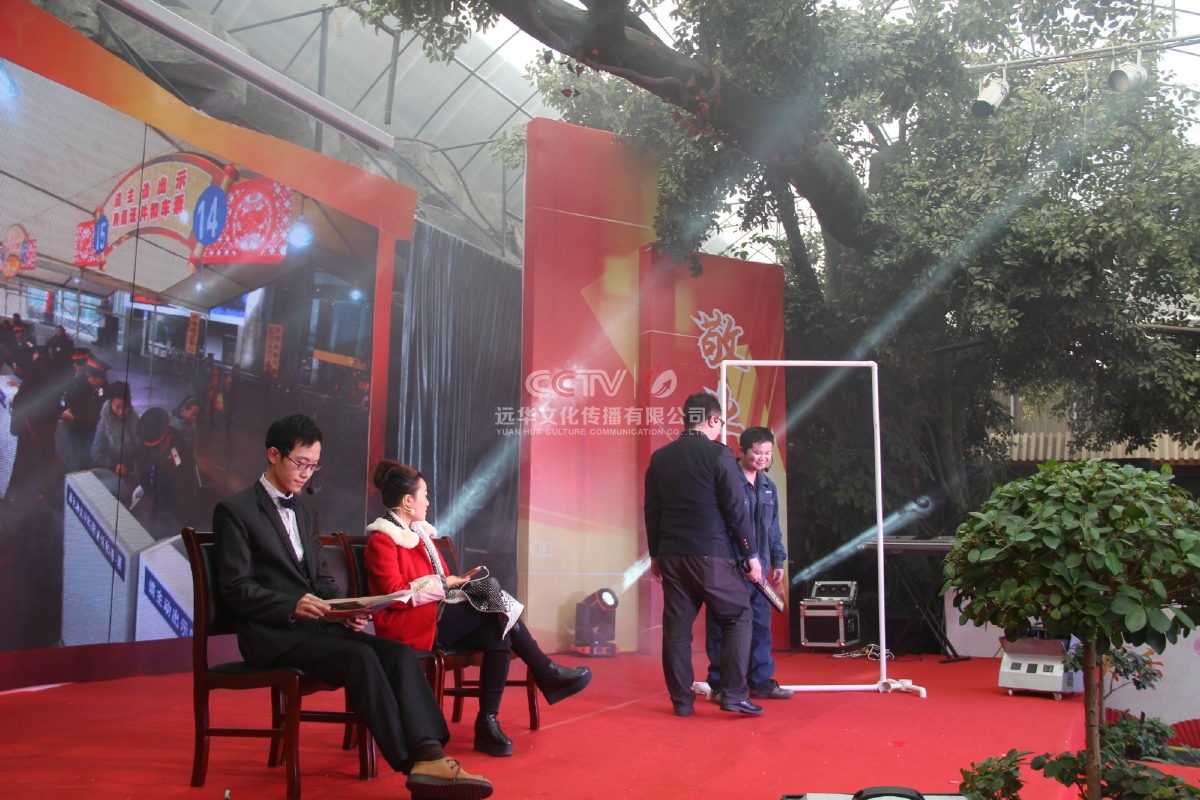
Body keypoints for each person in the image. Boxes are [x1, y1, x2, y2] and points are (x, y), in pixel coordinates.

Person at [213, 416, 493, 798]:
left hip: (316, 629)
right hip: (273, 634)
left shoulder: (305, 510)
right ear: (274, 455)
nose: (307, 474)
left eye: (314, 466)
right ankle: (414, 765)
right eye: (301, 464)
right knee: (360, 659)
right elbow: (235, 588)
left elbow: (321, 578)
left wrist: (346, 609)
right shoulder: (235, 510)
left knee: (397, 654)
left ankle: (431, 753)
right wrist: (292, 605)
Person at [364, 460, 593, 757]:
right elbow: (396, 595)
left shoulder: (420, 535)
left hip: (434, 615)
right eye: (425, 495)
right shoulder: (382, 540)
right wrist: (444, 584)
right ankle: (546, 672)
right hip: (409, 624)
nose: (428, 502)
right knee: (496, 603)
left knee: (499, 632)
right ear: (408, 501)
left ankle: (488, 721)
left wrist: (453, 584)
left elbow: (440, 583)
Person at [644, 391, 763, 717]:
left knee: (677, 629)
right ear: (712, 419)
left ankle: (682, 702)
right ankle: (734, 694)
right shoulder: (719, 454)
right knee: (738, 616)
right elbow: (735, 509)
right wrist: (751, 554)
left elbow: (652, 510)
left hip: (671, 554)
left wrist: (655, 555)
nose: (720, 428)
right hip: (711, 554)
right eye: (720, 422)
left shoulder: (660, 457)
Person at [700, 427, 792, 701]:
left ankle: (761, 682)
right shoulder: (726, 481)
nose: (763, 458)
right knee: (722, 627)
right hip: (729, 569)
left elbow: (773, 528)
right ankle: (720, 684)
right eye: (757, 452)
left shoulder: (768, 486)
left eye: (768, 453)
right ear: (742, 450)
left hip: (760, 570)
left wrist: (778, 559)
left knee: (761, 627)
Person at [131, 407, 204, 538]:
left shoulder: (178, 445)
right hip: (158, 501)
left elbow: (185, 480)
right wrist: (144, 486)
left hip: (178, 505)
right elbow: (147, 470)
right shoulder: (145, 448)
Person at [59, 356, 109, 471]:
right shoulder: (93, 389)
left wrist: (74, 418)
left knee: (87, 465)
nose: (88, 380)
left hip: (91, 436)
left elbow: (93, 416)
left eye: (90, 377)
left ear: (99, 378)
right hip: (83, 433)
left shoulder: (104, 394)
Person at [91, 380, 139, 480]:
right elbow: (96, 452)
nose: (121, 412)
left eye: (124, 407)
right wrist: (113, 465)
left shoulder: (134, 419)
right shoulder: (104, 423)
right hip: (111, 474)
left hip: (133, 471)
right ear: (110, 404)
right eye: (117, 407)